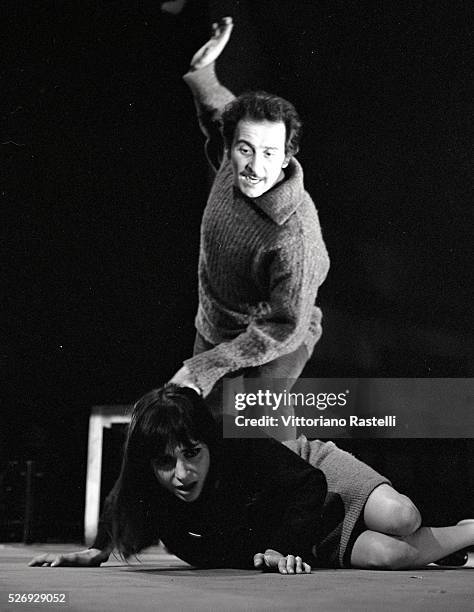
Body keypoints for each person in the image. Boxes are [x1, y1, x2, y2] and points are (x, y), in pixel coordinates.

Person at [29, 385, 473, 573]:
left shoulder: (237, 443)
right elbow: (124, 503)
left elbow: (307, 484)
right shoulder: (150, 487)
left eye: (191, 454)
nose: (182, 474)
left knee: (401, 516)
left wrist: (284, 549)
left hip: (309, 474)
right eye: (165, 463)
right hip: (289, 532)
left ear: (208, 443)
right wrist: (99, 551)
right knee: (390, 556)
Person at [169, 17, 330, 438]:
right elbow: (217, 110)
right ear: (233, 147)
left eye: (268, 153)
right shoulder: (232, 163)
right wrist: (203, 70)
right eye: (245, 150)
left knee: (257, 440)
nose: (255, 167)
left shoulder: (294, 236)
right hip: (218, 326)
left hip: (278, 337)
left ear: (286, 157)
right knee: (204, 433)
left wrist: (203, 367)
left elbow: (284, 326)